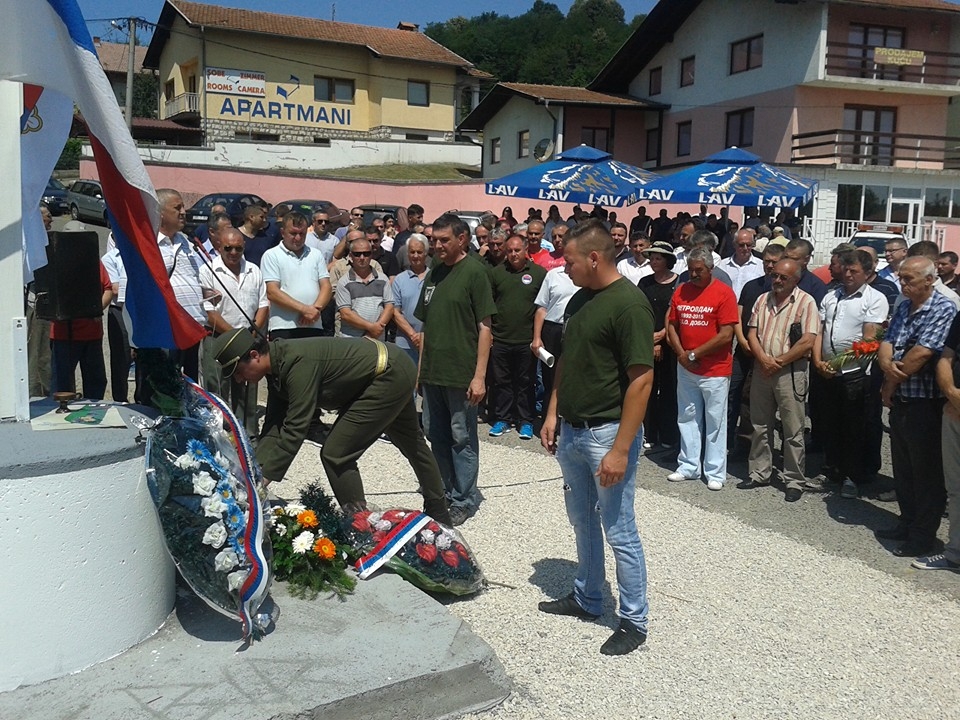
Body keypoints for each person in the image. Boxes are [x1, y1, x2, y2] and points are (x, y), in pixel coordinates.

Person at [537, 218, 653, 656]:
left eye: (567, 260)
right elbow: (566, 361)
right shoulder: (581, 300)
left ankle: (634, 619)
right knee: (582, 520)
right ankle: (588, 597)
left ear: (594, 257)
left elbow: (641, 380)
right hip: (572, 429)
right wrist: (552, 413)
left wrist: (621, 449)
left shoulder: (629, 305)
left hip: (607, 433)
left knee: (619, 528)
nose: (562, 267)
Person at [213, 329, 452, 525]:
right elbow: (274, 427)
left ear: (254, 355)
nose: (238, 379)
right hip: (383, 371)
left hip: (387, 374)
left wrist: (264, 479)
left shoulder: (296, 364)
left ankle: (361, 526)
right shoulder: (277, 367)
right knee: (413, 444)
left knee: (336, 453)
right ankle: (439, 514)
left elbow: (296, 427)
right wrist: (251, 472)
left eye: (237, 371)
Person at [416, 214, 496, 526]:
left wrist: (479, 376)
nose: (436, 245)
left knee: (461, 437)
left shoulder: (475, 272)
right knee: (435, 434)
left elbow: (485, 327)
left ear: (462, 239)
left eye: (443, 240)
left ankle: (463, 498)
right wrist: (420, 373)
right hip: (433, 371)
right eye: (434, 240)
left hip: (461, 374)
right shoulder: (434, 270)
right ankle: (443, 493)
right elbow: (426, 325)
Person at [877, 256, 957, 558]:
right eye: (902, 278)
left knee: (926, 473)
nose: (904, 284)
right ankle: (906, 522)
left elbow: (922, 353)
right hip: (902, 400)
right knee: (904, 469)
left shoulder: (942, 308)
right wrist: (887, 368)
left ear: (929, 279)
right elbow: (888, 342)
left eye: (909, 279)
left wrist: (891, 382)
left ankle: (923, 535)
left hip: (926, 402)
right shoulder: (904, 306)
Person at [810, 249, 888, 499]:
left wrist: (840, 363)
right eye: (846, 269)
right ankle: (831, 470)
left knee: (854, 427)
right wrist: (818, 361)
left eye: (854, 270)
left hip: (855, 373)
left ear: (867, 273)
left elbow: (869, 340)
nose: (848, 274)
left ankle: (852, 476)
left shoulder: (874, 299)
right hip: (827, 371)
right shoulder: (832, 296)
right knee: (829, 424)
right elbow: (819, 331)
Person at [742, 259, 820, 502]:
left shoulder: (806, 302)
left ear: (796, 279)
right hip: (763, 369)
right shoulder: (762, 299)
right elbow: (751, 333)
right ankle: (759, 472)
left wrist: (779, 361)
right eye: (774, 275)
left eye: (782, 277)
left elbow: (808, 340)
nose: (776, 280)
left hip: (790, 372)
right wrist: (764, 360)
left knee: (792, 428)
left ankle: (794, 479)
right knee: (759, 424)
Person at [666, 248, 739, 490]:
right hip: (686, 366)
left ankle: (715, 471)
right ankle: (689, 466)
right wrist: (681, 354)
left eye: (699, 270)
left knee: (715, 421)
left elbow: (726, 334)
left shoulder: (724, 293)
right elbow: (672, 326)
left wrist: (695, 354)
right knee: (687, 417)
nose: (694, 274)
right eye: (691, 270)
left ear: (710, 269)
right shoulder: (681, 290)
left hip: (715, 369)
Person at [137, 188, 208, 405]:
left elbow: (196, 276)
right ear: (159, 212)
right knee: (163, 389)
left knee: (188, 387)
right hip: (167, 328)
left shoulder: (186, 242)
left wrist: (205, 292)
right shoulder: (148, 244)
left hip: (192, 325)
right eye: (177, 208)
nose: (184, 212)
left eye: (183, 207)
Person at [198, 227, 269, 440]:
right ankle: (217, 435)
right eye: (228, 248)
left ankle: (247, 435)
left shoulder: (254, 271)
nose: (233, 253)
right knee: (216, 386)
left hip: (248, 337)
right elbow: (209, 312)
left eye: (238, 248)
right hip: (217, 337)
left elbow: (263, 304)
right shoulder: (207, 271)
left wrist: (251, 335)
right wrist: (237, 339)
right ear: (219, 246)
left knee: (247, 387)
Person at [487, 234, 546, 440]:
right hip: (501, 338)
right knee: (501, 381)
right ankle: (502, 418)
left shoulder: (539, 274)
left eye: (517, 250)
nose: (513, 254)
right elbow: (489, 304)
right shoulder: (496, 273)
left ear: (525, 250)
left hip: (527, 341)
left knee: (526, 382)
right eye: (509, 250)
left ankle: (526, 421)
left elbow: (543, 306)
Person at [917, 312, 960, 571]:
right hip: (953, 411)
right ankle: (955, 553)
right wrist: (953, 395)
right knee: (955, 488)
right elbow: (945, 358)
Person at [260, 212, 332, 340]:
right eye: (293, 233)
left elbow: (326, 286)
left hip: (313, 325)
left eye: (302, 234)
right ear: (282, 232)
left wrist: (314, 310)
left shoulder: (316, 254)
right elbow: (272, 292)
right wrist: (304, 309)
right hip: (283, 327)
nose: (298, 238)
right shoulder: (271, 255)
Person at [638, 242, 680, 450]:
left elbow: (674, 314)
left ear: (667, 261)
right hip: (647, 339)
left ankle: (669, 434)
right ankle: (649, 432)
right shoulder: (644, 282)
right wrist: (650, 339)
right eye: (652, 258)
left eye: (658, 258)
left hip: (670, 341)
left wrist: (662, 338)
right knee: (648, 387)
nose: (654, 262)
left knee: (669, 389)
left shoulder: (678, 283)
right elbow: (639, 311)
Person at [50, 260, 112, 400]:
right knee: (61, 385)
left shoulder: (92, 260)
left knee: (96, 382)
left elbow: (108, 288)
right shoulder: (55, 261)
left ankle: (94, 415)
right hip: (63, 335)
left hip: (92, 335)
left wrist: (97, 310)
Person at [336, 237, 394, 340]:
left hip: (377, 339)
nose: (362, 257)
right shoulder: (343, 282)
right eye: (357, 254)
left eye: (366, 254)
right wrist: (371, 327)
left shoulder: (383, 279)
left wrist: (375, 330)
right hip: (351, 341)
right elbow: (346, 314)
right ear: (350, 256)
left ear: (371, 255)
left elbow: (389, 307)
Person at [101, 237, 131, 402]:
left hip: (138, 312)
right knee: (121, 359)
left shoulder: (140, 256)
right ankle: (121, 400)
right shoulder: (110, 258)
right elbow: (114, 288)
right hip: (119, 311)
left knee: (144, 358)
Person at [392, 235, 429, 366]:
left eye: (419, 252)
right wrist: (413, 335)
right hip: (405, 343)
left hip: (429, 342)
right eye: (412, 252)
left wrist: (422, 337)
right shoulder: (399, 280)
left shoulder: (434, 277)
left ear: (426, 253)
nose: (415, 256)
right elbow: (395, 312)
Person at [719, 229, 763, 299]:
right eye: (741, 245)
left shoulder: (761, 266)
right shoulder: (722, 265)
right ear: (734, 245)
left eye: (748, 245)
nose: (745, 248)